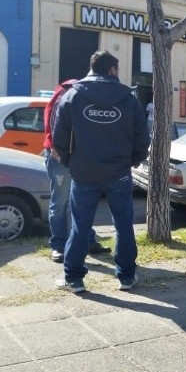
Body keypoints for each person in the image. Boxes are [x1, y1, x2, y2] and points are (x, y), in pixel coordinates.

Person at [52, 50, 150, 293]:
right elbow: (142, 137)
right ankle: (126, 277)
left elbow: (59, 136)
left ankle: (73, 279)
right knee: (123, 225)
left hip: (84, 172)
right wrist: (134, 160)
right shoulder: (128, 98)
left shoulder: (72, 95)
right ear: (112, 69)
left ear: (91, 68)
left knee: (80, 226)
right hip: (119, 173)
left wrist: (69, 161)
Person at [42, 78, 110, 263]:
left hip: (79, 158)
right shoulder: (66, 93)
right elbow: (51, 122)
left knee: (81, 202)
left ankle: (87, 241)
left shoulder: (83, 95)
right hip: (61, 157)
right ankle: (59, 245)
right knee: (61, 202)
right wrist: (55, 147)